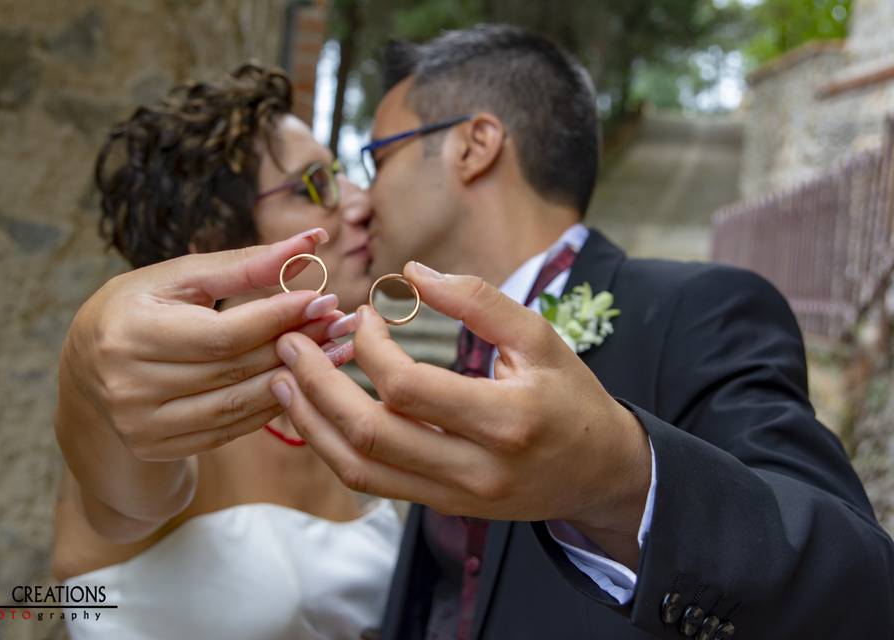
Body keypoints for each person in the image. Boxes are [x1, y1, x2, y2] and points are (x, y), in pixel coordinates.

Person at [269, 25, 894, 639]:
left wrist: (624, 480)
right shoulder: (453, 356)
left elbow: (864, 590)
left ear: (474, 144)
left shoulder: (700, 310)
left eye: (378, 158)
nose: (361, 198)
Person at [52, 62, 400, 640]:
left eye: (343, 175)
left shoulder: (342, 407)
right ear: (214, 244)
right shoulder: (154, 424)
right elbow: (119, 463)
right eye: (316, 186)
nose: (360, 203)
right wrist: (86, 353)